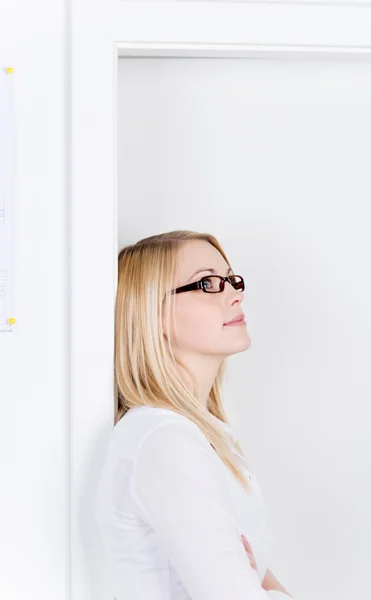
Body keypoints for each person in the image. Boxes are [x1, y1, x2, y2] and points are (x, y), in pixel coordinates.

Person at [95, 229, 295, 599]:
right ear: (152, 312)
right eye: (207, 284)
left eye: (231, 280)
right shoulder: (164, 440)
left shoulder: (201, 436)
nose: (235, 294)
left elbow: (256, 578)